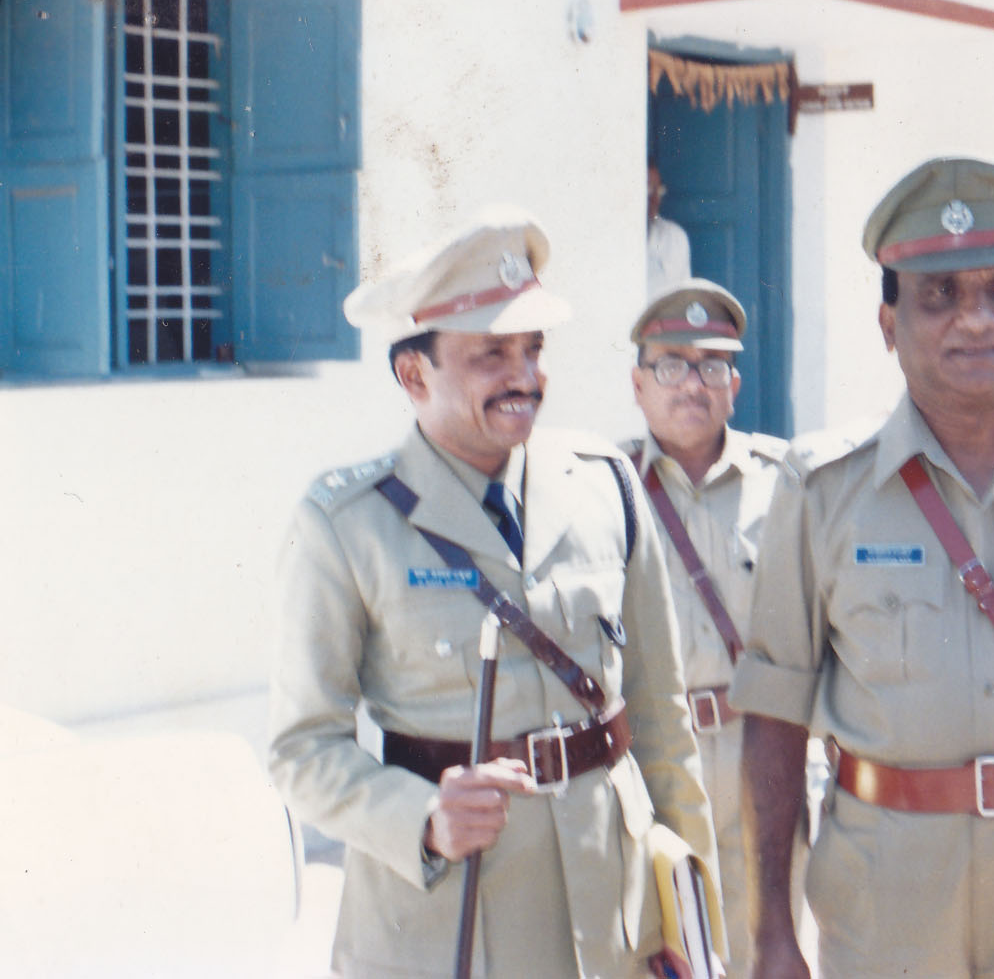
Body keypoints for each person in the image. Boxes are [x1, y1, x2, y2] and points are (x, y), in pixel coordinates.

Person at [268, 211, 718, 978]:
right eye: (490, 355)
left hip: (611, 916)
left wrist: (695, 921)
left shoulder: (605, 486)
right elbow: (301, 749)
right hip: (451, 921)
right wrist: (421, 817)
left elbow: (659, 717)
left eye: (532, 349)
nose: (524, 376)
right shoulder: (347, 525)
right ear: (414, 375)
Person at [734, 157, 994, 978]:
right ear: (888, 324)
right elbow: (774, 716)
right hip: (888, 905)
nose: (977, 320)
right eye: (940, 296)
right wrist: (772, 927)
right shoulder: (822, 488)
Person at [625, 278, 792, 975]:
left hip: (764, 763)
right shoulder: (606, 488)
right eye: (670, 366)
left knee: (767, 949)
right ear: (638, 385)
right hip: (655, 764)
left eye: (711, 366)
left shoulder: (786, 483)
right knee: (663, 950)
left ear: (734, 386)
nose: (692, 384)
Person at [648, 158, 692, 296]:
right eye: (648, 190)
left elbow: (684, 296)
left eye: (659, 190)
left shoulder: (675, 236)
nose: (655, 199)